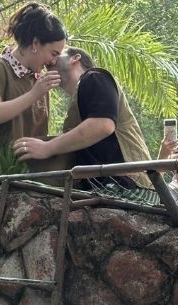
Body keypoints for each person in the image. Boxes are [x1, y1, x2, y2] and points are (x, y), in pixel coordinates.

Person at [13, 46, 153, 194]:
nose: (50, 60)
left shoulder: (94, 77)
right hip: (111, 187)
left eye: (56, 54)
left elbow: (102, 125)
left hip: (129, 187)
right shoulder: (81, 94)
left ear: (75, 58)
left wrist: (47, 148)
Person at [0, 2, 65, 165]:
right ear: (35, 44)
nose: (53, 61)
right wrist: (33, 94)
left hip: (32, 174)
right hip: (1, 175)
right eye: (53, 54)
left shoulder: (39, 79)